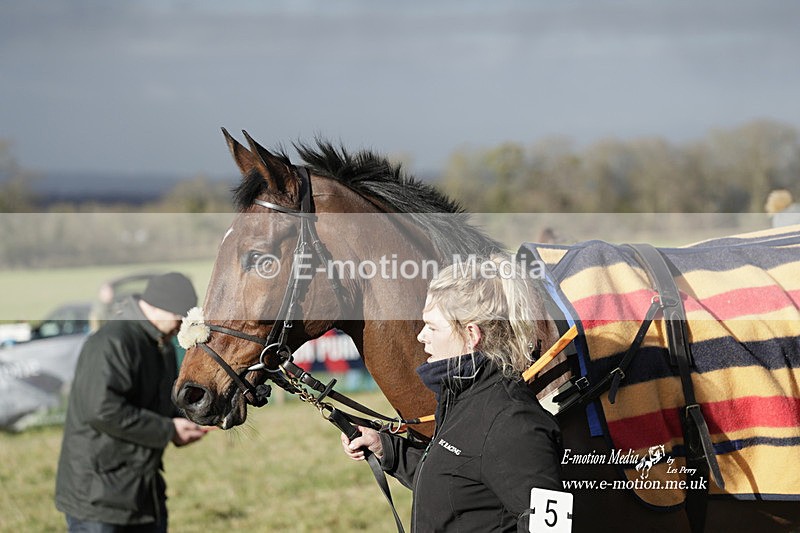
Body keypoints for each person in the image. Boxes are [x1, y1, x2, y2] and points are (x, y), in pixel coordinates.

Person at [341, 255, 564, 532]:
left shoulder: (516, 423)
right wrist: (386, 449)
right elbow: (455, 479)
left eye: (432, 327)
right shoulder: (459, 397)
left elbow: (551, 529)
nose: (422, 336)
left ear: (472, 335)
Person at [55, 272, 209, 532]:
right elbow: (102, 410)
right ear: (161, 306)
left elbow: (163, 404)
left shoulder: (162, 345)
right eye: (180, 317)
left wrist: (195, 417)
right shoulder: (112, 342)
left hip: (142, 494)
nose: (182, 326)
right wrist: (167, 430)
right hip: (99, 500)